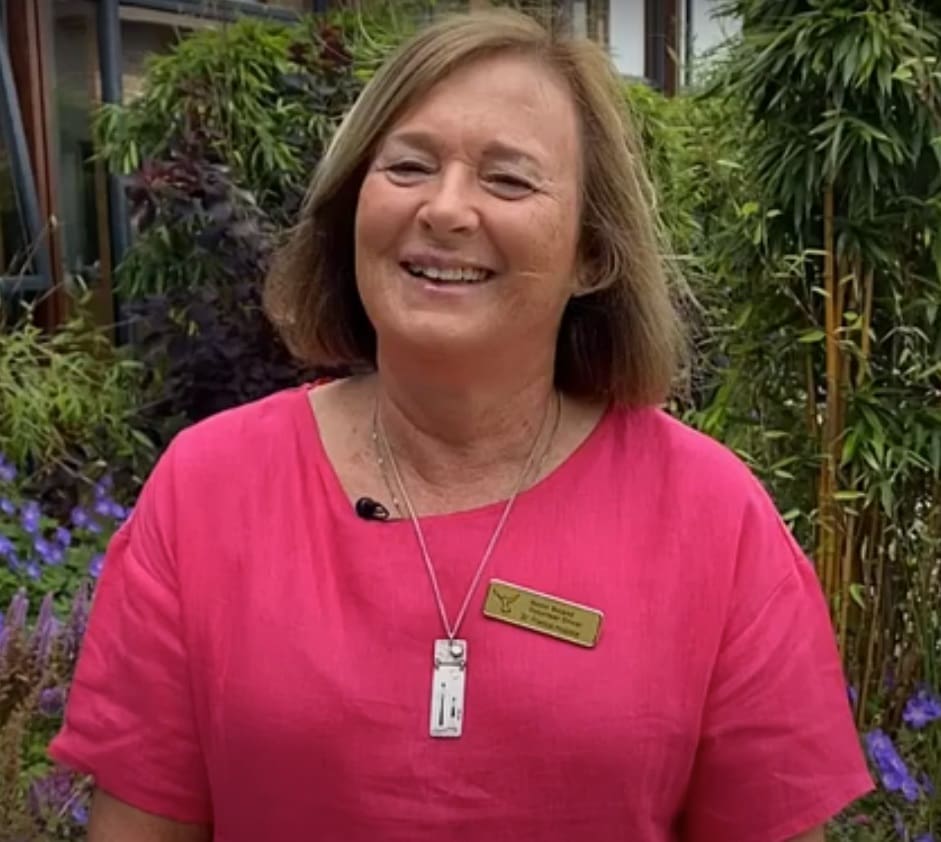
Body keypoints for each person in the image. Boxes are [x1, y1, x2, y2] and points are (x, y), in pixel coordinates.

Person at [49, 8, 873, 841]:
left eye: (507, 180)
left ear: (592, 254)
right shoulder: (211, 490)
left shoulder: (710, 519)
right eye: (408, 166)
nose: (444, 209)